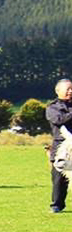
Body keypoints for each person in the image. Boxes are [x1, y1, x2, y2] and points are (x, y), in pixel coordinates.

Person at [46, 78, 72, 212]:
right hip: (61, 147)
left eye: (71, 89)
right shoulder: (52, 107)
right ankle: (56, 205)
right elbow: (59, 120)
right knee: (58, 178)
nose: (71, 91)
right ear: (58, 91)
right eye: (68, 89)